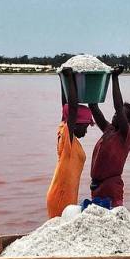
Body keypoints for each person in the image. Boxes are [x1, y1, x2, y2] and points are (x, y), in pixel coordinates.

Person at [88, 66, 130, 208]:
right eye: (116, 113)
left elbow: (118, 106)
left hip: (111, 188)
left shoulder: (125, 134)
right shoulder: (109, 130)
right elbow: (93, 107)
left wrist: (115, 77)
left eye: (120, 115)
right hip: (97, 188)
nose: (115, 114)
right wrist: (90, 80)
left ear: (127, 121)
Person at [46, 67, 94, 219]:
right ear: (76, 124)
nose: (86, 131)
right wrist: (69, 78)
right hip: (61, 195)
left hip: (67, 195)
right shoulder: (68, 137)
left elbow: (65, 107)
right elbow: (72, 108)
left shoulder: (67, 134)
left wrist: (62, 81)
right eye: (86, 126)